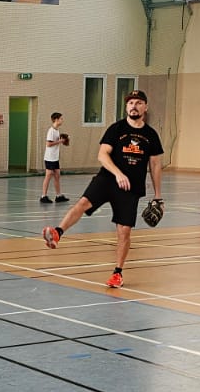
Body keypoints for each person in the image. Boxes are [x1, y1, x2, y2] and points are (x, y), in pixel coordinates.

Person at [41, 89, 163, 289]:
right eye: (130, 102)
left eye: (138, 102)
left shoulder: (151, 135)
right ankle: (58, 233)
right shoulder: (116, 129)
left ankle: (117, 273)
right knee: (82, 203)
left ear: (145, 107)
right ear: (126, 107)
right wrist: (118, 173)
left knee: (124, 231)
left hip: (131, 188)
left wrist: (158, 196)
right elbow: (102, 155)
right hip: (107, 179)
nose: (134, 106)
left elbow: (155, 165)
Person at [41, 112, 68, 204]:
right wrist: (60, 141)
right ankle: (43, 196)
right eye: (61, 119)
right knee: (48, 175)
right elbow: (48, 144)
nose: (62, 120)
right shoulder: (51, 131)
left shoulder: (57, 130)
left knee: (57, 175)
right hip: (49, 157)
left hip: (55, 157)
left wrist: (63, 139)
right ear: (56, 119)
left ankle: (58, 196)